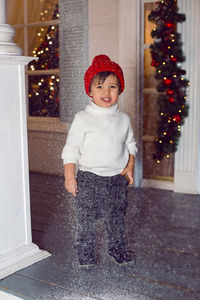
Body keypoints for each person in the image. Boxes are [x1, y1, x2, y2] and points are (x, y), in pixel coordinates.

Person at [61, 55, 137, 267]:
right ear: (90, 91)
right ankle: (85, 255)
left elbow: (131, 145)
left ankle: (117, 250)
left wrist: (129, 166)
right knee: (87, 220)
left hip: (117, 179)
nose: (106, 92)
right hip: (89, 178)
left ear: (119, 90)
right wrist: (70, 176)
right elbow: (71, 149)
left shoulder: (123, 119)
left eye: (112, 86)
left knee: (117, 218)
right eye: (100, 87)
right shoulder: (83, 118)